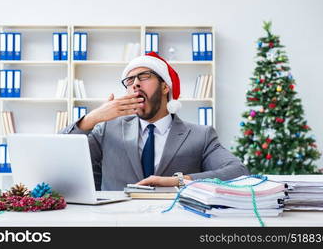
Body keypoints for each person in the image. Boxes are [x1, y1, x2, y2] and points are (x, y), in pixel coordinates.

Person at [61, 52, 249, 190]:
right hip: (117, 225)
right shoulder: (106, 130)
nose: (135, 83)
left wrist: (179, 181)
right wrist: (93, 118)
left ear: (165, 87)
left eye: (144, 76)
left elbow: (238, 171)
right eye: (129, 80)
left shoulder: (201, 135)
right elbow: (60, 153)